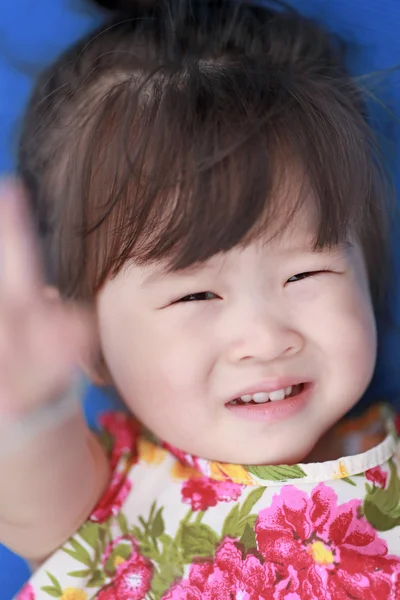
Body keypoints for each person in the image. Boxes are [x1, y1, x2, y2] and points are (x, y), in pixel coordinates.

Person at [2, 0, 400, 597]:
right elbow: (28, 489)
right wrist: (31, 411)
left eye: (306, 274)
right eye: (195, 294)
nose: (266, 338)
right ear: (89, 340)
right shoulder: (99, 503)